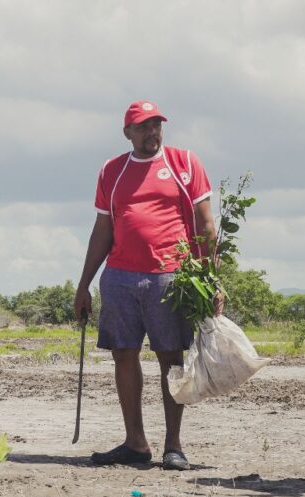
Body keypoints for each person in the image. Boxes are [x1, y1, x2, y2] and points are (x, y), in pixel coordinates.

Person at [73, 101, 218, 471]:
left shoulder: (184, 163)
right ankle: (135, 443)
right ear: (128, 133)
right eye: (143, 127)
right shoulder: (112, 170)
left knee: (171, 356)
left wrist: (211, 278)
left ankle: (174, 445)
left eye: (156, 125)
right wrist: (84, 284)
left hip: (170, 276)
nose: (152, 132)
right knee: (123, 354)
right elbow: (103, 229)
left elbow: (205, 225)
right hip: (120, 276)